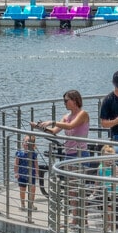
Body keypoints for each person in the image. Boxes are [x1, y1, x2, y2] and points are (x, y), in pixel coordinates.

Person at [35, 89, 90, 224]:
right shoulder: (66, 116)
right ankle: (77, 217)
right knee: (71, 189)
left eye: (66, 100)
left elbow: (71, 125)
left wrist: (52, 121)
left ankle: (82, 216)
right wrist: (40, 127)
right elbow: (54, 131)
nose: (64, 103)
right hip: (69, 155)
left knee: (78, 187)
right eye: (64, 101)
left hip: (81, 155)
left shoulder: (83, 114)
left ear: (75, 100)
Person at [14, 135, 39, 211]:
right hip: (22, 175)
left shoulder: (33, 154)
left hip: (32, 175)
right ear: (22, 143)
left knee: (32, 189)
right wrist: (16, 172)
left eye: (29, 142)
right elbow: (16, 164)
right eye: (25, 141)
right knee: (22, 189)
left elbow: (36, 164)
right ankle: (22, 204)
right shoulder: (19, 153)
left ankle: (31, 204)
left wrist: (37, 173)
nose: (27, 143)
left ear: (33, 145)